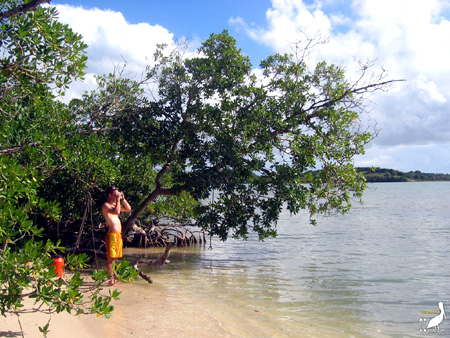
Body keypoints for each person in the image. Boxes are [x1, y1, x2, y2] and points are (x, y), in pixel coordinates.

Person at [102, 186, 132, 286]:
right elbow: (117, 212)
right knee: (110, 258)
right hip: (112, 235)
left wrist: (123, 199)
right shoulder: (106, 206)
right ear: (109, 195)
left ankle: (113, 277)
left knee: (115, 258)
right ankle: (111, 279)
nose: (116, 196)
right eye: (115, 194)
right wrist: (118, 200)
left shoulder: (116, 205)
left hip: (118, 235)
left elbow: (128, 209)